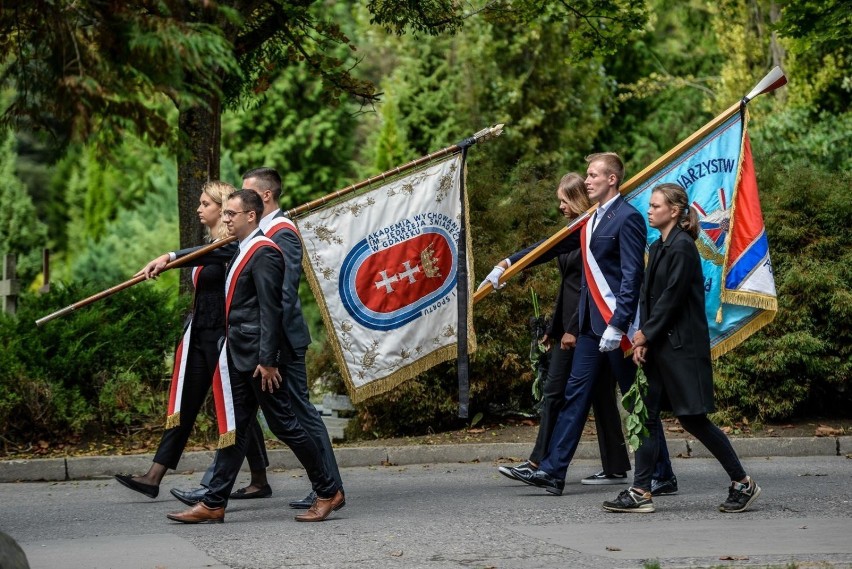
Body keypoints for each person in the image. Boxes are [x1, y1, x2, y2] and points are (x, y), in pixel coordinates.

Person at [143, 168, 344, 509]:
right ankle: (213, 498)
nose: (228, 213)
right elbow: (217, 253)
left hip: (278, 344)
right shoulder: (250, 236)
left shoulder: (280, 235)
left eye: (242, 198)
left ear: (262, 199)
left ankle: (328, 487)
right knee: (240, 421)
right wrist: (171, 257)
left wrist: (269, 356)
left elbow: (279, 296)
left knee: (295, 418)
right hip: (250, 346)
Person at [505, 152, 672, 495]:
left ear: (612, 179)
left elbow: (631, 276)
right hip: (589, 328)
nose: (587, 180)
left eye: (594, 174)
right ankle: (553, 471)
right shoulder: (590, 219)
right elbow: (548, 247)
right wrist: (507, 264)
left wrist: (618, 323)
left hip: (618, 330)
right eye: (587, 174)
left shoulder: (627, 218)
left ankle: (662, 472)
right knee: (574, 395)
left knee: (633, 398)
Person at [602, 183, 761, 513]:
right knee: (644, 415)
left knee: (693, 420)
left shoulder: (683, 248)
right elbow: (649, 298)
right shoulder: (659, 246)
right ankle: (640, 491)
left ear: (674, 211)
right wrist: (644, 341)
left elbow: (672, 299)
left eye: (656, 206)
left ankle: (743, 483)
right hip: (659, 347)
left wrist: (645, 335)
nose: (650, 210)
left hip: (681, 349)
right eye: (650, 205)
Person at [113, 181, 263, 499]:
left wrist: (167, 257)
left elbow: (205, 256)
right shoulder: (210, 245)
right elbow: (201, 259)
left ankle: (259, 478)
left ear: (223, 210)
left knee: (238, 408)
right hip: (200, 335)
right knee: (185, 404)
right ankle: (154, 477)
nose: (198, 209)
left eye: (205, 203)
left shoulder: (235, 245)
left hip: (226, 339)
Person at [490, 173, 632, 485]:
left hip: (586, 329)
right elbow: (565, 287)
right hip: (575, 327)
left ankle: (539, 461)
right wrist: (552, 327)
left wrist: (570, 330)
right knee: (601, 397)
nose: (560, 206)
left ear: (580, 198)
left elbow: (587, 289)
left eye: (565, 200)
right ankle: (616, 465)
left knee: (556, 393)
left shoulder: (594, 233)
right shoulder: (577, 232)